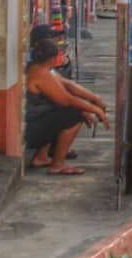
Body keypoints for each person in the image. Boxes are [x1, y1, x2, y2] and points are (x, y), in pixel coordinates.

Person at [25, 37, 109, 175]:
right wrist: (95, 109)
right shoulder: (40, 73)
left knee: (71, 111)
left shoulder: (41, 69)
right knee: (73, 115)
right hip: (30, 130)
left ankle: (42, 156)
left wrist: (95, 99)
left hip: (33, 122)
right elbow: (67, 100)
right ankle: (58, 164)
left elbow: (69, 85)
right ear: (52, 58)